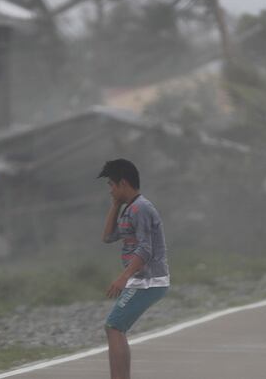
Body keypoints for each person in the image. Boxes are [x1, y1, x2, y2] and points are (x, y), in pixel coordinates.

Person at [98, 159, 170, 379]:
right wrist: (115, 204)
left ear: (123, 183)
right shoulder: (130, 208)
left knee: (114, 326)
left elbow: (146, 249)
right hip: (140, 279)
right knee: (115, 327)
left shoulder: (141, 208)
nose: (110, 190)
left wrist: (123, 277)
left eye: (111, 185)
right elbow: (108, 237)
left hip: (149, 280)